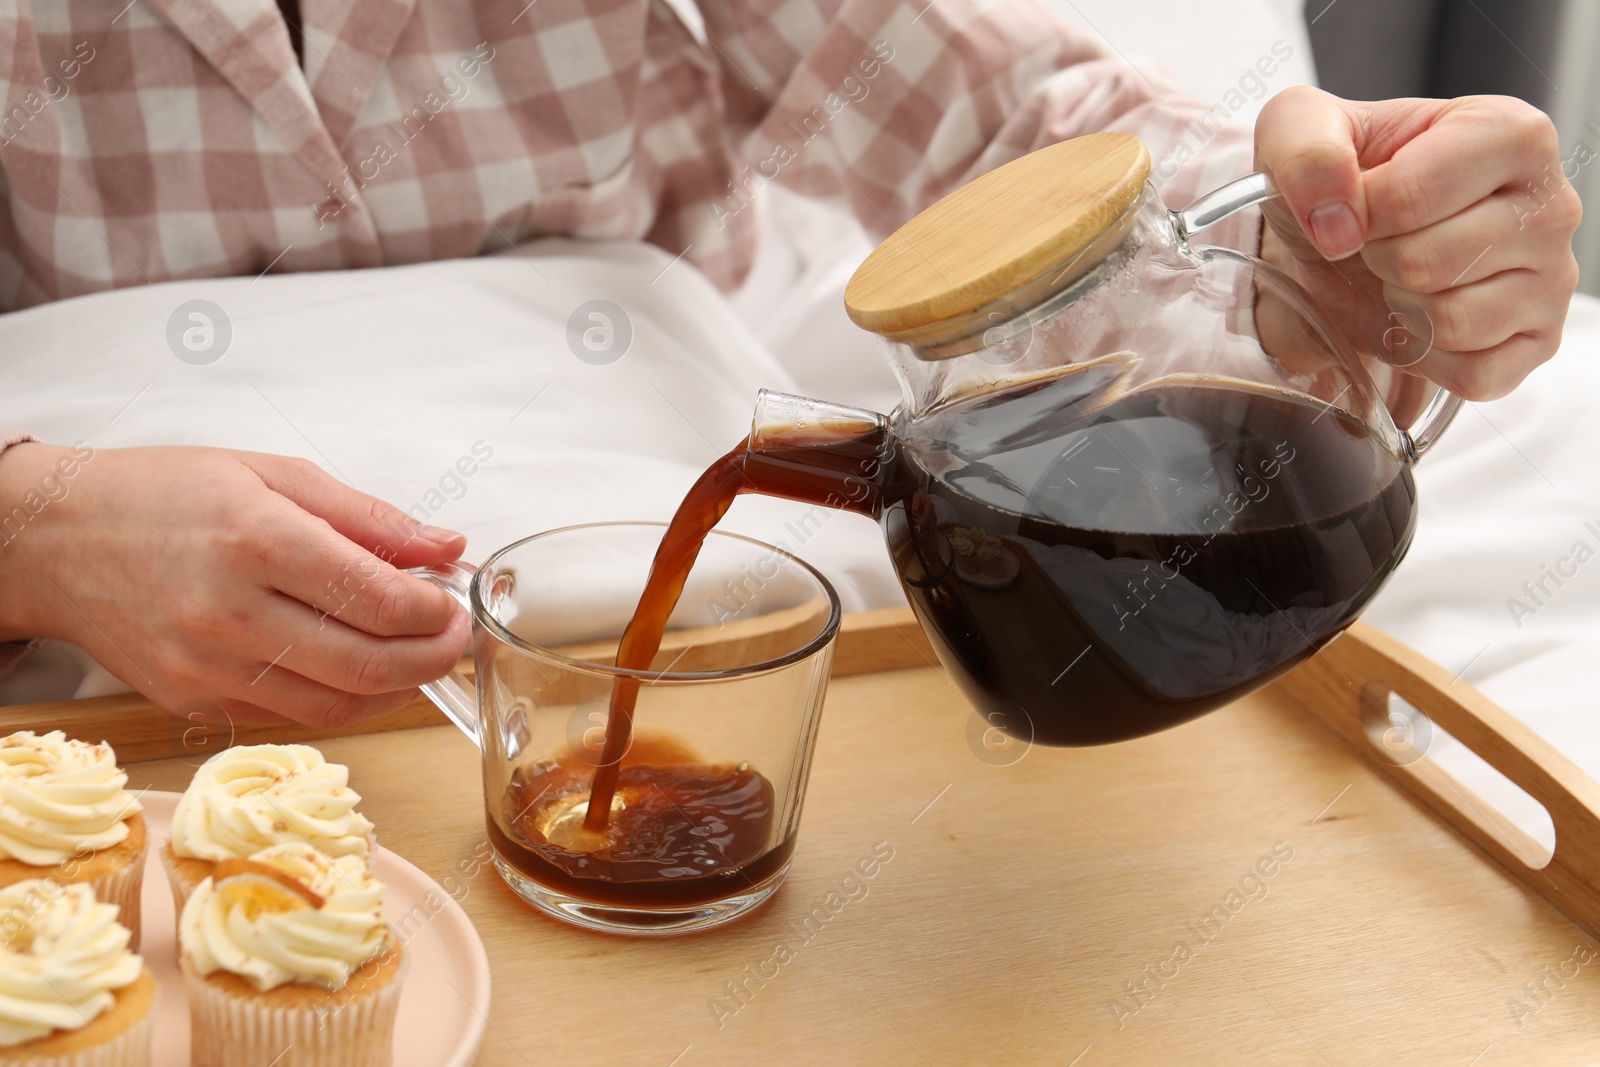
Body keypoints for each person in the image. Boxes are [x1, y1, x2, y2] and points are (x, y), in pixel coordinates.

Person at [0, 0, 1580, 729]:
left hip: (677, 554)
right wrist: (40, 530)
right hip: (135, 663)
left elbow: (993, 133)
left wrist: (1313, 235)